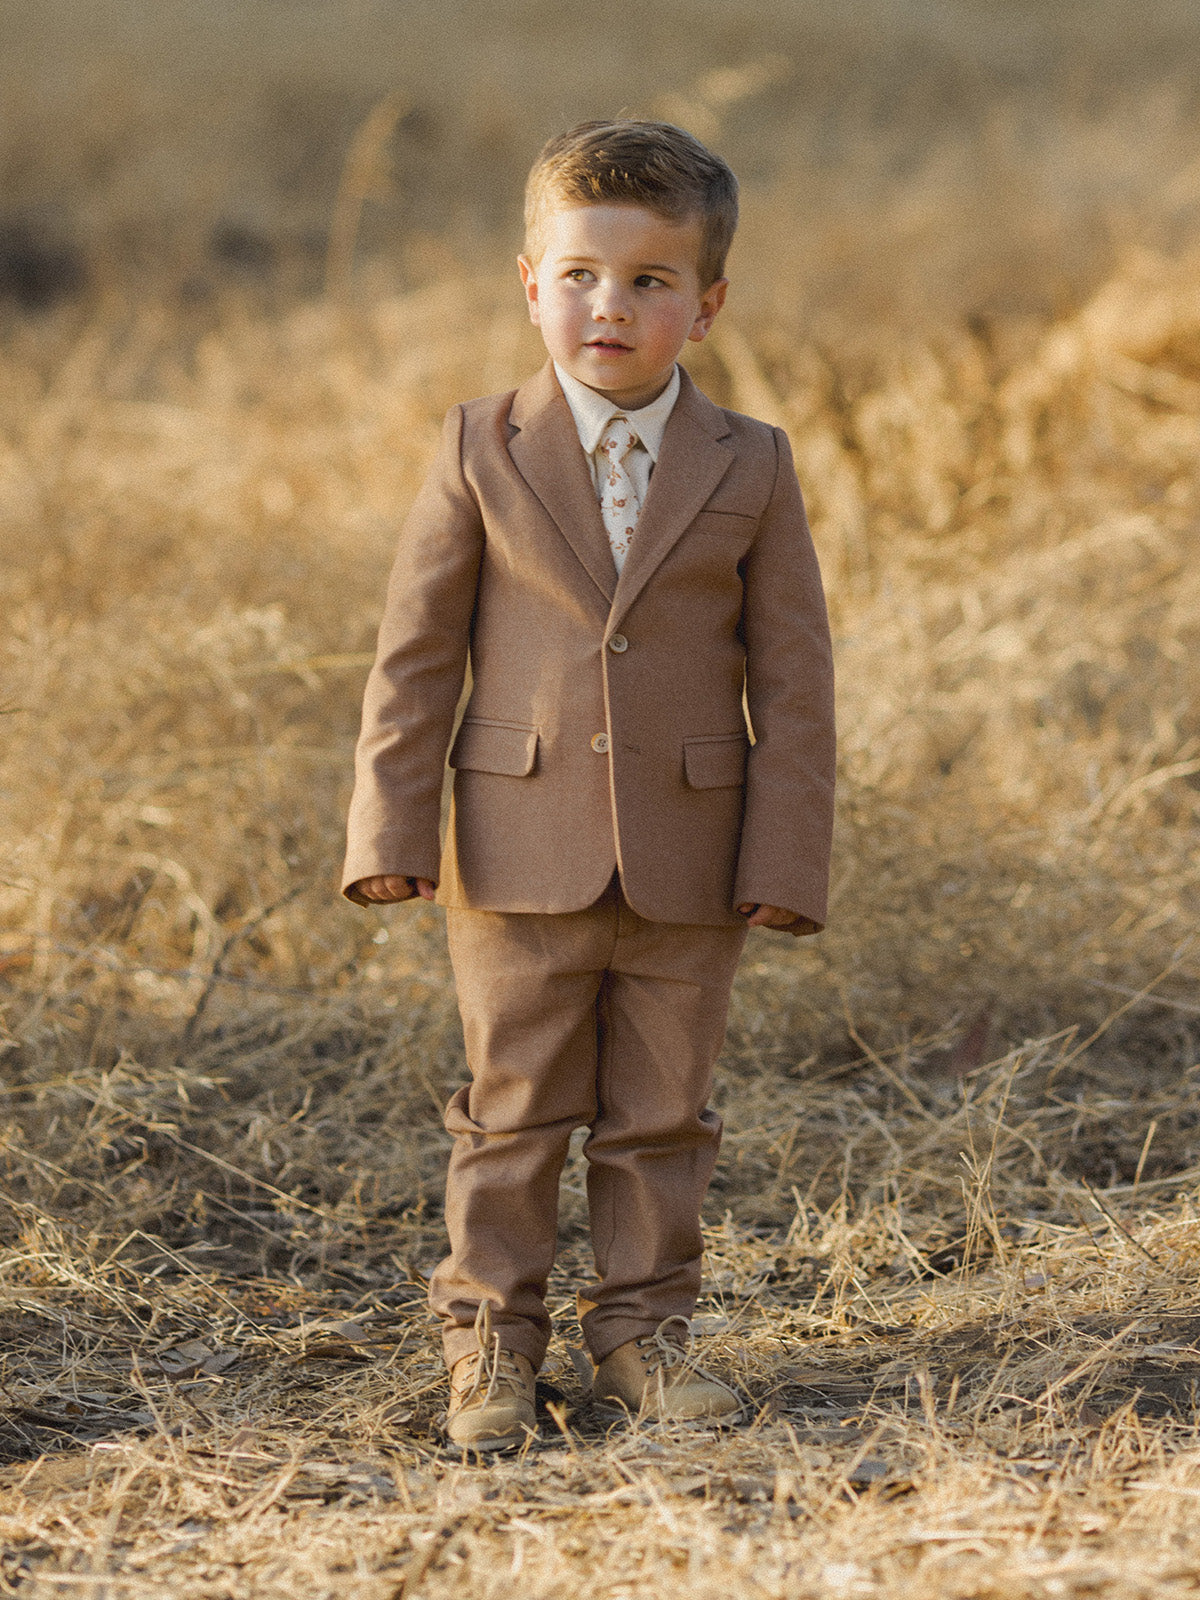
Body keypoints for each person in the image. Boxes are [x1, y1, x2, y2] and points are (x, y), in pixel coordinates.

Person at [342, 119, 836, 1451]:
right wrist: (389, 828)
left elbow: (795, 681)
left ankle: (646, 1342)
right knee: (510, 1114)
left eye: (648, 282)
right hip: (515, 846)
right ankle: (491, 1354)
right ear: (528, 283)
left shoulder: (752, 464)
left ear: (707, 305)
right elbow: (416, 659)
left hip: (693, 853)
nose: (607, 305)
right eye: (578, 275)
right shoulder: (477, 447)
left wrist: (786, 861)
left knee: (665, 1117)